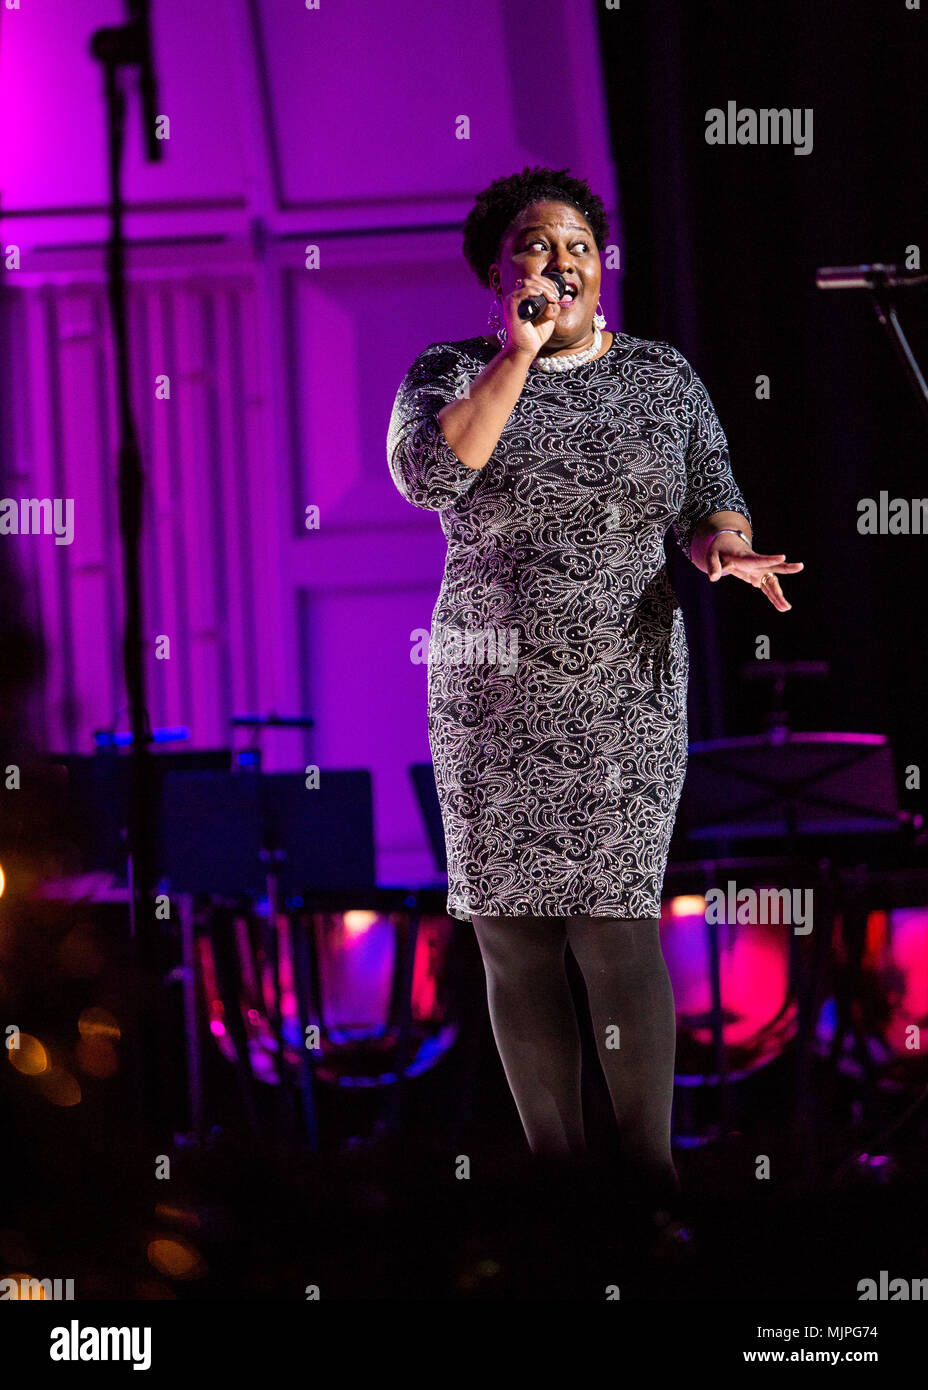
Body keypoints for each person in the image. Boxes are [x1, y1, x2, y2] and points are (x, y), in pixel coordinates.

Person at [386, 166, 803, 1233]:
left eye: (578, 244)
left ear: (599, 262)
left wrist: (724, 546)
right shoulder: (447, 370)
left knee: (616, 925)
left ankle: (651, 1186)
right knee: (513, 936)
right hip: (490, 689)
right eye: (537, 245)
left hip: (626, 682)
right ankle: (563, 1194)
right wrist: (518, 358)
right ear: (498, 270)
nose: (561, 261)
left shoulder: (662, 377)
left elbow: (711, 487)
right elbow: (432, 478)